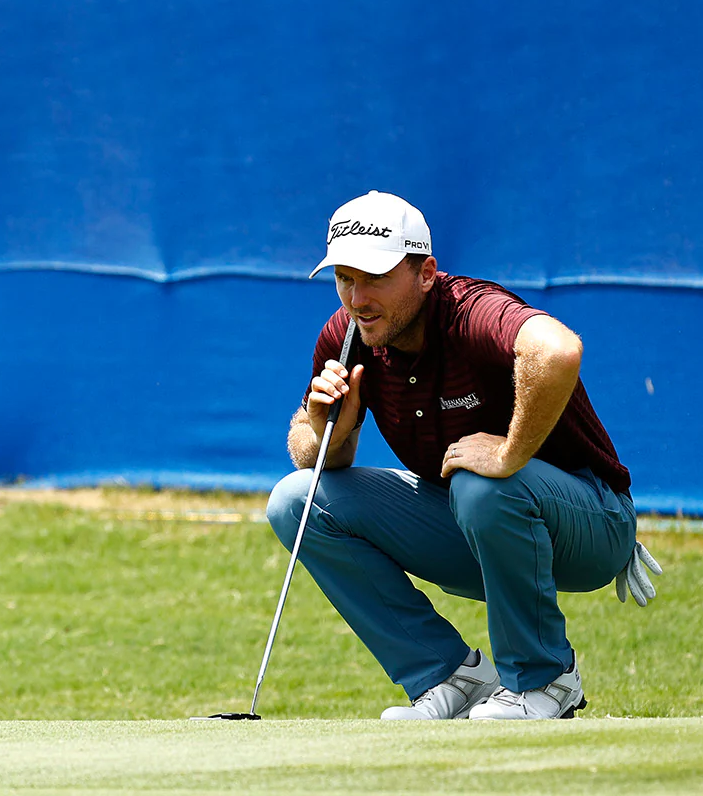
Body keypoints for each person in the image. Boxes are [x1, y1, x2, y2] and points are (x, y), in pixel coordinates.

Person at [267, 191, 661, 720]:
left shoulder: (472, 311)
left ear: (426, 273)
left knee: (480, 482)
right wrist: (324, 425)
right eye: (344, 278)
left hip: (592, 523)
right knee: (296, 500)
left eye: (375, 277)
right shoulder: (348, 335)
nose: (356, 297)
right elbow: (314, 459)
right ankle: (451, 676)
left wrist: (510, 452)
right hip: (475, 525)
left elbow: (559, 350)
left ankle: (545, 679)